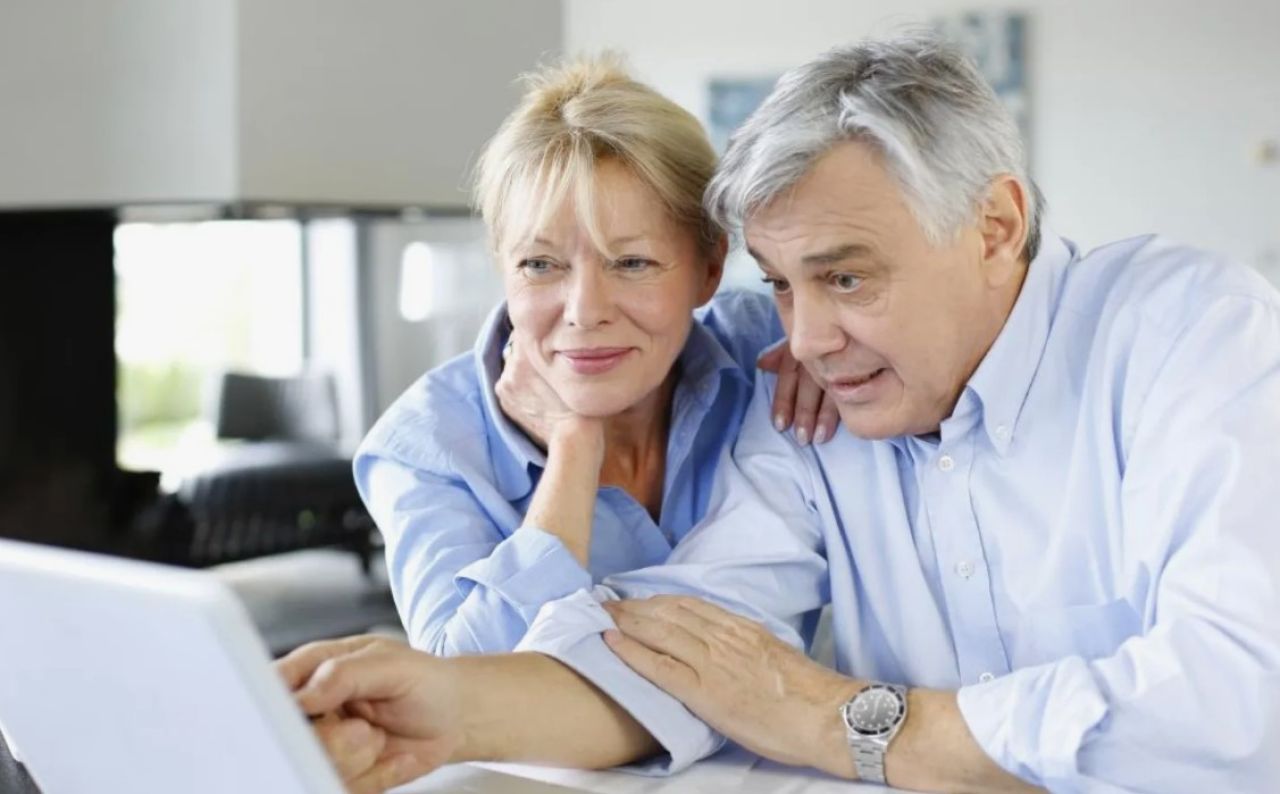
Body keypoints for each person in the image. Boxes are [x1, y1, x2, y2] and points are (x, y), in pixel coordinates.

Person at [280, 34, 1280, 794]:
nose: (803, 339)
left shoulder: (1191, 334)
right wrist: (443, 710)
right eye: (782, 287)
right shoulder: (820, 411)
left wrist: (844, 721)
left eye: (845, 277)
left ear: (995, 226)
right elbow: (690, 641)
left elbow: (1232, 703)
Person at [355, 56, 835, 656]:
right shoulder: (425, 445)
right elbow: (460, 677)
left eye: (631, 263)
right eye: (540, 264)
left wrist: (830, 356)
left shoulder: (768, 347)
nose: (584, 311)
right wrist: (574, 450)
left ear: (710, 269)